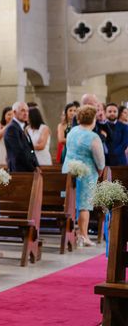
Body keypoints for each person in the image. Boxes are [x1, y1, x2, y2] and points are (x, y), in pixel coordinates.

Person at [62, 105, 105, 246]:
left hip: (70, 171)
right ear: (93, 119)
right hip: (86, 173)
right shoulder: (93, 137)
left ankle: (76, 233)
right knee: (84, 205)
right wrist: (100, 170)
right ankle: (83, 235)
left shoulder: (72, 131)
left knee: (72, 203)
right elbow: (100, 160)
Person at [4, 101, 39, 172]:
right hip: (19, 170)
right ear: (14, 112)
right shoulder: (12, 128)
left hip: (27, 169)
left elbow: (30, 149)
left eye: (27, 111)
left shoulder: (22, 127)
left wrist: (36, 165)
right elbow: (19, 153)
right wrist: (33, 168)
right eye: (22, 110)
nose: (26, 113)